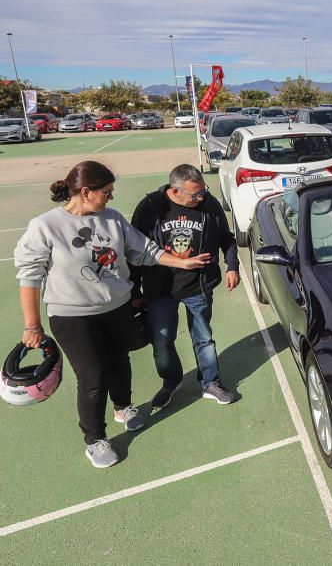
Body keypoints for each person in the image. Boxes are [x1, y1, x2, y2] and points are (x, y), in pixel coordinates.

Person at [15, 161, 209, 468]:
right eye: (106, 192)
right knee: (93, 377)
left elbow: (145, 250)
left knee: (120, 361)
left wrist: (181, 262)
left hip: (116, 308)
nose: (110, 197)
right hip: (72, 317)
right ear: (85, 191)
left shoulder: (113, 219)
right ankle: (95, 440)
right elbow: (30, 276)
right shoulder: (45, 226)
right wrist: (32, 325)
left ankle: (123, 407)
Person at [130, 164, 240, 410]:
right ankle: (171, 382)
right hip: (160, 290)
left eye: (203, 191)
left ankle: (210, 382)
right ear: (175, 191)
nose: (201, 197)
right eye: (195, 194)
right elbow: (134, 251)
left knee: (204, 338)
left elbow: (226, 237)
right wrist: (134, 292)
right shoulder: (149, 208)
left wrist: (232, 265)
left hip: (198, 287)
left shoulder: (209, 204)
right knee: (162, 342)